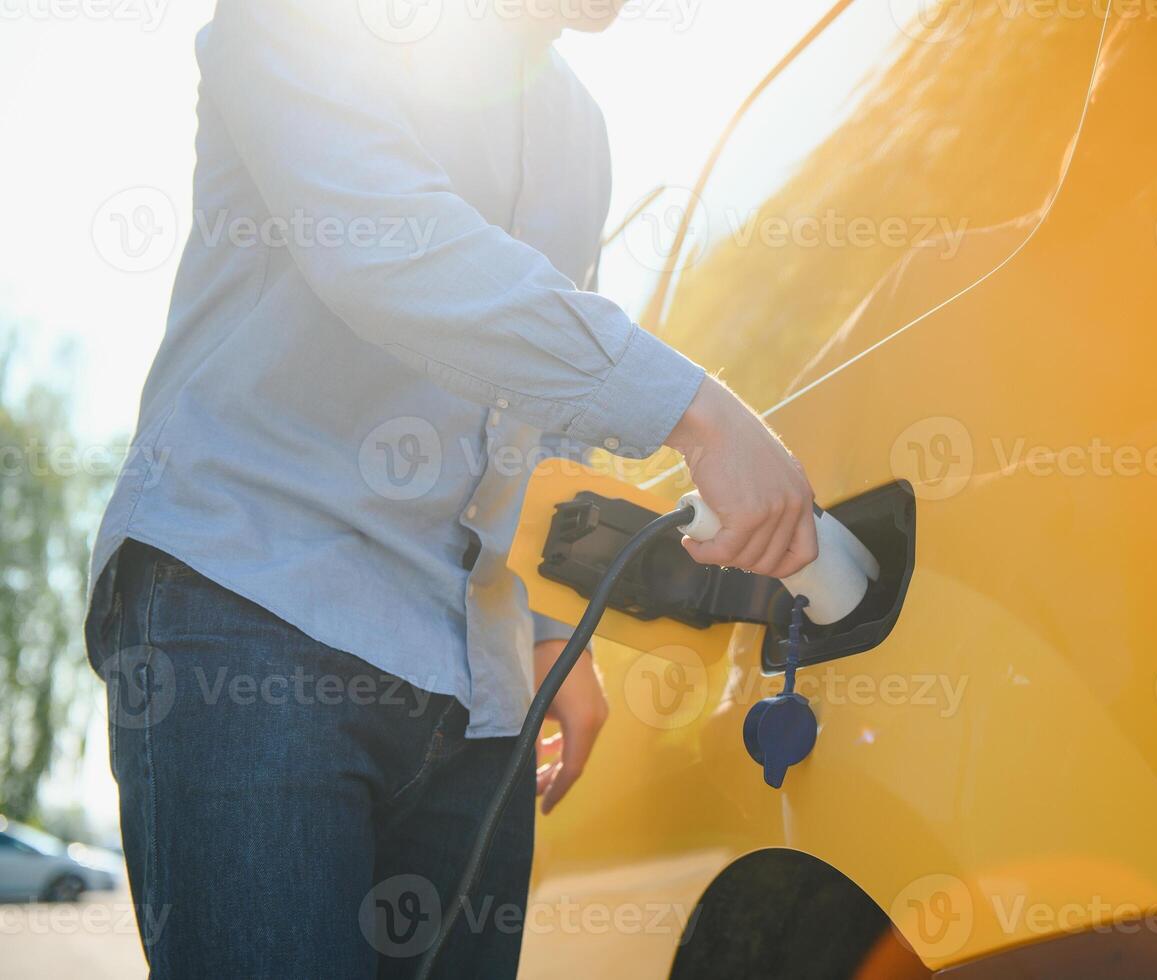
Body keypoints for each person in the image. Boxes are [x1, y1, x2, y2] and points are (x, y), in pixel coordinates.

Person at [84, 1, 817, 976]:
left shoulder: (579, 128)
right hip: (251, 604)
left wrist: (551, 627)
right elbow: (385, 242)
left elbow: (535, 397)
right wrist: (698, 411)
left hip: (479, 690)